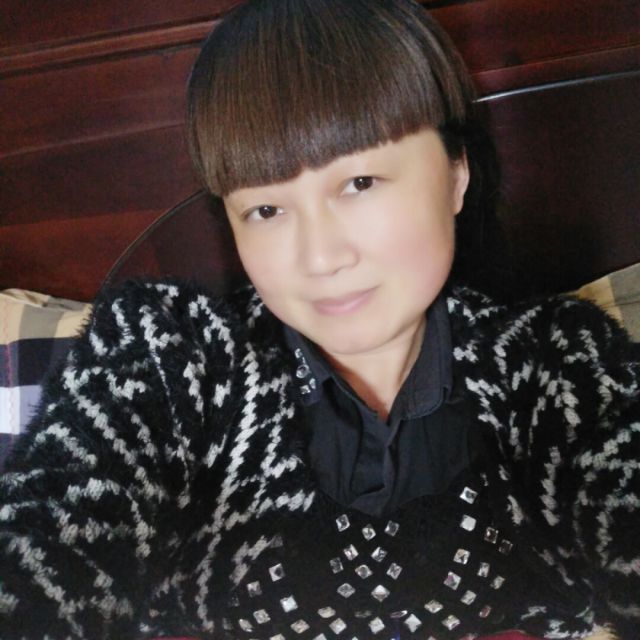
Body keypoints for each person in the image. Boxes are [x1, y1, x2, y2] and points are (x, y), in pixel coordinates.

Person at [1, 1, 638, 639]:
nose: (320, 257)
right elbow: (48, 550)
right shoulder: (169, 356)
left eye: (360, 183)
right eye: (266, 210)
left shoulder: (556, 367)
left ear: (455, 175)